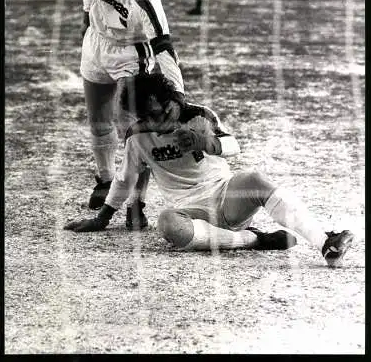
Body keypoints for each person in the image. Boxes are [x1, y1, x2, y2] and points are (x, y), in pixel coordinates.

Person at [64, 74, 354, 268]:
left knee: (254, 178)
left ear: (172, 100)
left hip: (227, 197)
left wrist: (206, 142)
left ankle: (324, 243)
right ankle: (255, 240)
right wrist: (102, 217)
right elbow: (125, 178)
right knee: (166, 223)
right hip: (190, 214)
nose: (161, 117)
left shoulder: (200, 114)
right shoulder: (137, 136)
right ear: (141, 116)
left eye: (164, 108)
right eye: (151, 115)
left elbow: (234, 144)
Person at [80, 0, 185, 230]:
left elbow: (164, 44)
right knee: (98, 120)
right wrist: (86, 22)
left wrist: (176, 93)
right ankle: (105, 179)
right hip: (96, 44)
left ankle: (136, 203)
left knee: (135, 130)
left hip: (131, 52)